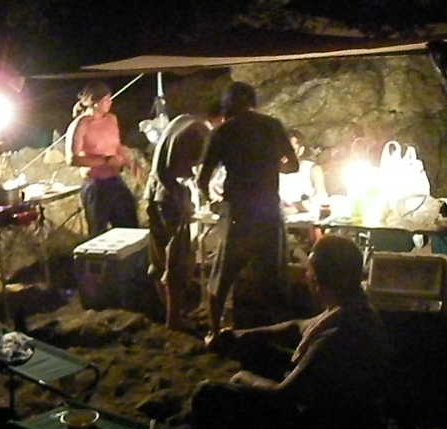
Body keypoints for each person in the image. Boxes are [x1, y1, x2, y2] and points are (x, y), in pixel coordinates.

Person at [190, 234, 392, 429]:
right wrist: (239, 335)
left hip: (324, 422)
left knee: (207, 396)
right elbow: (297, 327)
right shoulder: (355, 308)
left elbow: (282, 394)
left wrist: (243, 378)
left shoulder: (336, 335)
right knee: (254, 346)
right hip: (342, 402)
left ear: (316, 280)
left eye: (308, 271)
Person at [196, 82, 299, 339]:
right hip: (267, 209)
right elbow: (293, 166)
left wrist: (212, 200)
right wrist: (270, 166)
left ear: (227, 105)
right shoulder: (272, 125)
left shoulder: (222, 132)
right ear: (252, 101)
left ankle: (214, 331)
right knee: (273, 277)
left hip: (238, 212)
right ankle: (279, 333)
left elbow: (202, 179)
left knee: (223, 274)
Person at [143, 105, 223, 330]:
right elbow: (196, 172)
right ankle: (174, 319)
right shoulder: (201, 131)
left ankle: (169, 312)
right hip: (172, 197)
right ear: (220, 119)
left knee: (159, 256)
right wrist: (210, 197)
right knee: (177, 259)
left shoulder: (182, 120)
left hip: (154, 192)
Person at [65, 82, 139, 238]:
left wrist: (129, 163)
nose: (110, 102)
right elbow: (72, 158)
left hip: (115, 179)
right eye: (106, 100)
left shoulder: (111, 119)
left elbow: (117, 145)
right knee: (98, 232)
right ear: (95, 103)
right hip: (95, 184)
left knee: (130, 225)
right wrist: (104, 161)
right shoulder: (81, 124)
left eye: (110, 99)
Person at [279, 128, 328, 216]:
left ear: (301, 150)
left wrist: (297, 207)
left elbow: (322, 199)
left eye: (291, 150)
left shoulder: (313, 169)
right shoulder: (270, 171)